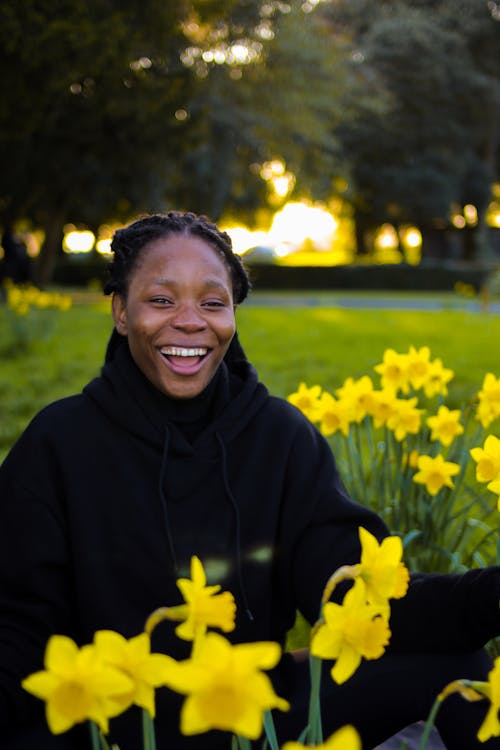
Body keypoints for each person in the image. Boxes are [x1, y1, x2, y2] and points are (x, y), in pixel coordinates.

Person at [0, 210, 499, 750]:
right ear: (121, 312)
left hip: (250, 710)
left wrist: (488, 595)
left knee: (463, 669)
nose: (190, 322)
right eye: (161, 300)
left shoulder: (278, 436)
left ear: (232, 312)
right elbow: (18, 631)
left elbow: (356, 594)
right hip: (110, 723)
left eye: (212, 303)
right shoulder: (60, 441)